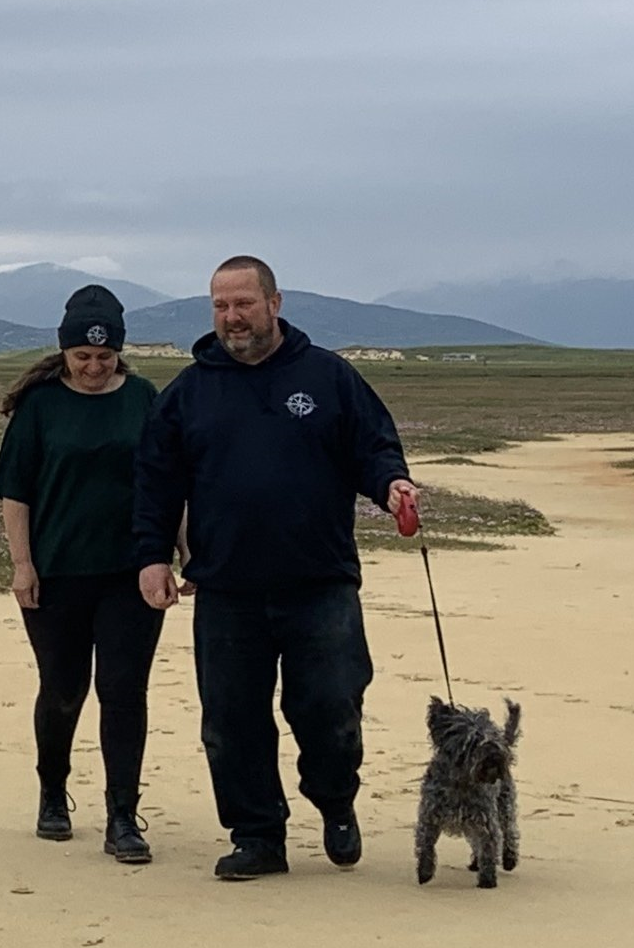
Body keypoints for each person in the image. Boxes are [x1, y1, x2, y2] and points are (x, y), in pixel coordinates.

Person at [132, 255, 419, 880]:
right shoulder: (189, 392)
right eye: (220, 306)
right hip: (227, 586)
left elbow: (373, 446)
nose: (232, 318)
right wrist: (153, 555)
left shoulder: (328, 377)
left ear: (274, 303)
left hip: (320, 583)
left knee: (330, 707)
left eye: (244, 304)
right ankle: (258, 834)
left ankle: (335, 799)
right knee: (231, 721)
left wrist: (391, 484)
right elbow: (156, 482)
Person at [0, 284, 185, 864]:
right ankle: (53, 790)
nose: (94, 368)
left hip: (132, 573)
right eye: (82, 358)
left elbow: (169, 484)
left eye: (104, 357)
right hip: (57, 575)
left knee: (123, 692)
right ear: (65, 353)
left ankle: (123, 815)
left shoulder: (145, 398)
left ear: (119, 352)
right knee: (64, 688)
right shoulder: (41, 406)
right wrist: (22, 564)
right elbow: (15, 492)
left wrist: (183, 550)